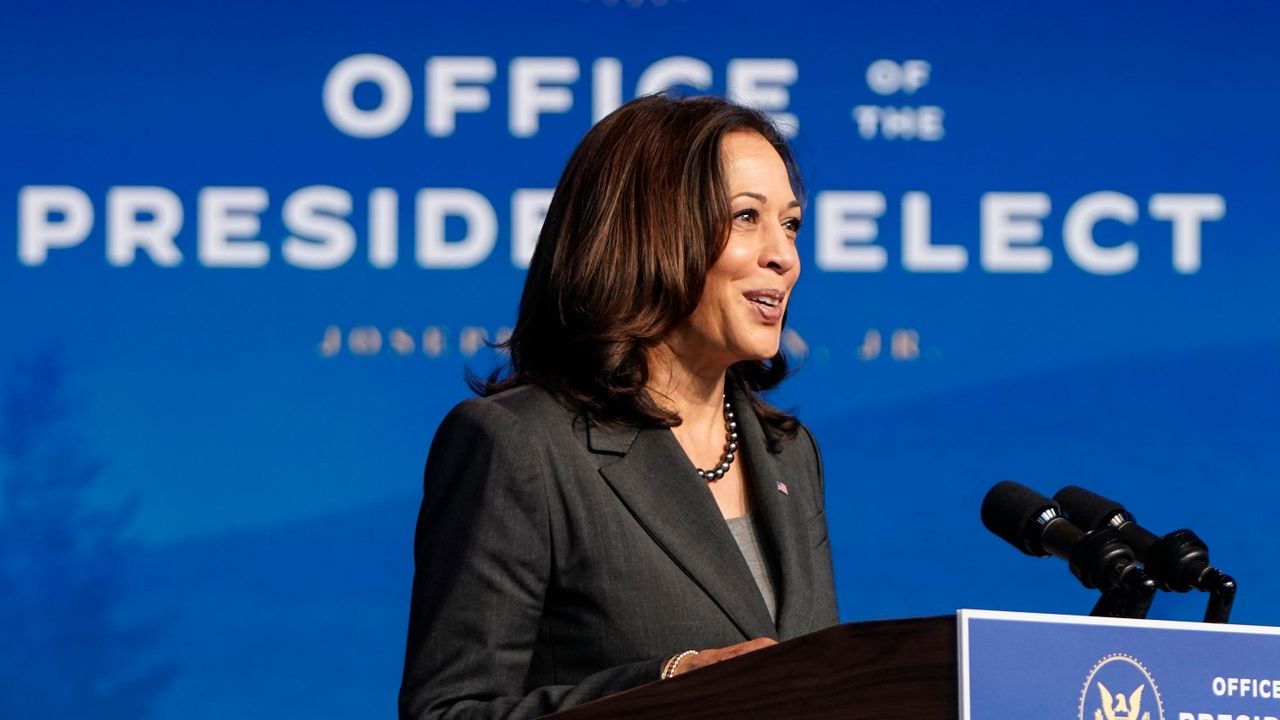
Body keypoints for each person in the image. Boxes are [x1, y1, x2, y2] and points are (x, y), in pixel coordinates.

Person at [399, 94, 838, 720]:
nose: (785, 256)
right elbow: (449, 711)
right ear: (648, 230)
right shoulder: (520, 445)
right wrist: (671, 684)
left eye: (790, 224)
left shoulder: (789, 453)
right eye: (746, 217)